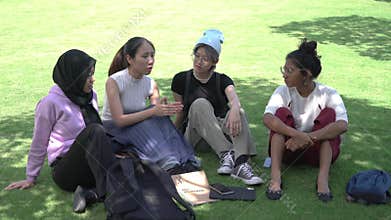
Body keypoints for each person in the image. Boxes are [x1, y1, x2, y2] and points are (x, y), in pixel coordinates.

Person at [4, 49, 121, 213]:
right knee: (95, 131)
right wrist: (31, 177)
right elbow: (39, 140)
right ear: (74, 76)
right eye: (88, 75)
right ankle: (111, 194)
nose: (93, 79)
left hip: (90, 163)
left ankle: (90, 194)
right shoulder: (50, 103)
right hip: (66, 170)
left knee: (129, 158)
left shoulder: (90, 95)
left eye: (93, 74)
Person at [171, 29, 263, 185]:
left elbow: (234, 98)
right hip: (195, 135)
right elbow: (180, 113)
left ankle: (240, 164)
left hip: (221, 131)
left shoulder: (223, 79)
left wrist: (235, 108)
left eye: (205, 59)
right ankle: (226, 153)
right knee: (200, 104)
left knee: (238, 111)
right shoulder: (180, 79)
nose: (199, 62)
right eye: (197, 56)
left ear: (215, 62)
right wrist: (171, 137)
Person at [263, 39, 348, 202]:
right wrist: (296, 135)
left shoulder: (328, 93)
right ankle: (275, 178)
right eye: (284, 69)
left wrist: (308, 138)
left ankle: (322, 180)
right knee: (280, 113)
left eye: (289, 70)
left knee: (330, 115)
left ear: (306, 75)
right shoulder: (282, 91)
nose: (284, 74)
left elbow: (342, 125)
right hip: (288, 149)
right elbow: (267, 118)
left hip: (318, 152)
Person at [102, 37, 199, 174]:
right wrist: (153, 111)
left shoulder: (150, 83)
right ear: (129, 59)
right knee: (148, 119)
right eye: (145, 56)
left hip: (137, 125)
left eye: (152, 55)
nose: (151, 61)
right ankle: (168, 163)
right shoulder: (114, 82)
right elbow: (119, 120)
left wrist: (163, 110)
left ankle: (186, 158)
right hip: (114, 130)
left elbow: (155, 115)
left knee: (160, 119)